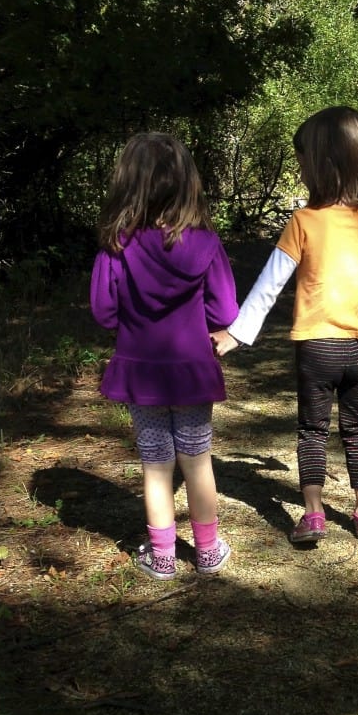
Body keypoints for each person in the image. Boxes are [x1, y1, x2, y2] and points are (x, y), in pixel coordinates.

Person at [212, 106, 358, 543]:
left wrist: (237, 333)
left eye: (304, 160)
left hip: (315, 348)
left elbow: (269, 285)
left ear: (322, 165)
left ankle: (312, 515)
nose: (301, 168)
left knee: (312, 429)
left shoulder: (303, 221)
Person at [91, 132, 239, 580]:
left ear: (128, 183)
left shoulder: (117, 244)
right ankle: (209, 551)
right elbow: (226, 310)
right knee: (196, 459)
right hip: (192, 371)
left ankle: (162, 557)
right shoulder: (205, 243)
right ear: (186, 183)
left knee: (156, 465)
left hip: (142, 373)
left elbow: (103, 310)